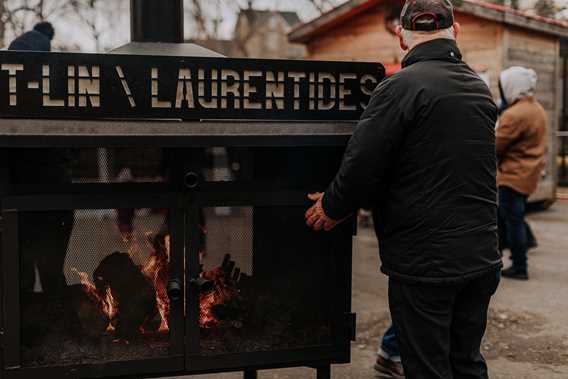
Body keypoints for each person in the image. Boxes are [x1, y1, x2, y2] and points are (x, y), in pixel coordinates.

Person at [305, 0, 502, 377]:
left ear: (401, 37)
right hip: (481, 256)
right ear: (455, 32)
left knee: (427, 369)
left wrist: (332, 205)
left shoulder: (399, 87)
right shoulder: (478, 89)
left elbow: (362, 162)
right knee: (467, 362)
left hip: (426, 264)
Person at [496, 67, 546, 280]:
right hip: (529, 172)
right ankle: (513, 257)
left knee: (512, 220)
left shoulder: (515, 114)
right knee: (509, 217)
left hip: (513, 175)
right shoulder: (536, 108)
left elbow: (495, 145)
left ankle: (520, 266)